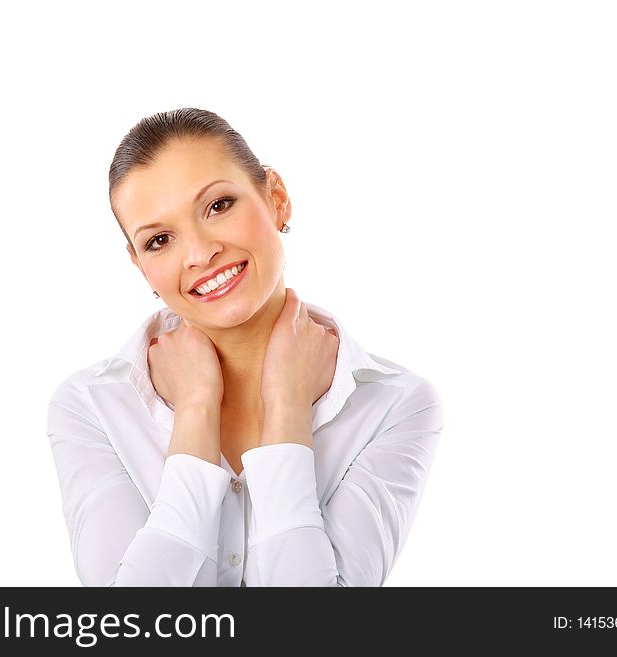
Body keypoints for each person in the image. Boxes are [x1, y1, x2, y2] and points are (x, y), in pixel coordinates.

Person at [46, 108, 443, 586]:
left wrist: (288, 408)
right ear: (139, 265)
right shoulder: (92, 406)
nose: (198, 254)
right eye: (159, 240)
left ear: (276, 198)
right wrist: (195, 412)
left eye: (218, 206)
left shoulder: (395, 405)